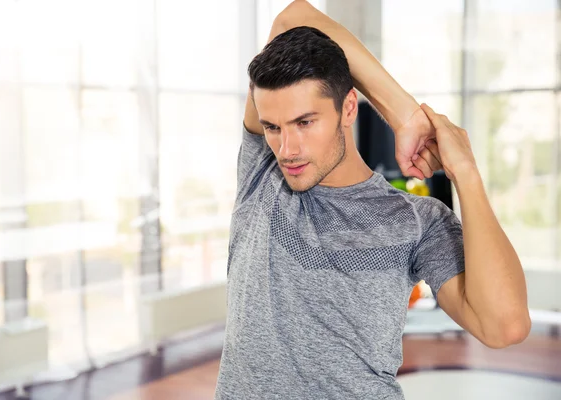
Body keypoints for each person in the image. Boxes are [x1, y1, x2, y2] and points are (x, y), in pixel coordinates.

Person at [214, 1, 531, 399]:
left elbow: (505, 326)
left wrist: (465, 174)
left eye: (305, 122)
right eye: (273, 127)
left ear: (348, 108)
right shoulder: (261, 174)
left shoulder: (418, 220)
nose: (287, 148)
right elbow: (291, 17)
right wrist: (407, 117)